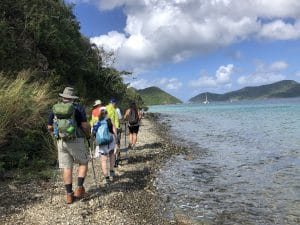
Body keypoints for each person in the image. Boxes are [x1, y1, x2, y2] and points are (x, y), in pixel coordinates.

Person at [47, 87, 90, 204]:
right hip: (76, 139)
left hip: (61, 141)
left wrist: (56, 135)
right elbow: (85, 126)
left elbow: (49, 126)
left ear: (63, 97)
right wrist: (88, 136)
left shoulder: (55, 108)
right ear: (73, 98)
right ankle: (79, 189)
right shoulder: (78, 107)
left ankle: (69, 195)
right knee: (83, 162)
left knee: (67, 167)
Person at [92, 107, 117, 186]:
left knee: (103, 160)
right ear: (106, 113)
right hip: (110, 140)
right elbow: (114, 131)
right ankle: (112, 171)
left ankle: (106, 177)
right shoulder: (109, 120)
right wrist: (116, 140)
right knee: (112, 154)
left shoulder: (97, 122)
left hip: (102, 143)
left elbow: (93, 133)